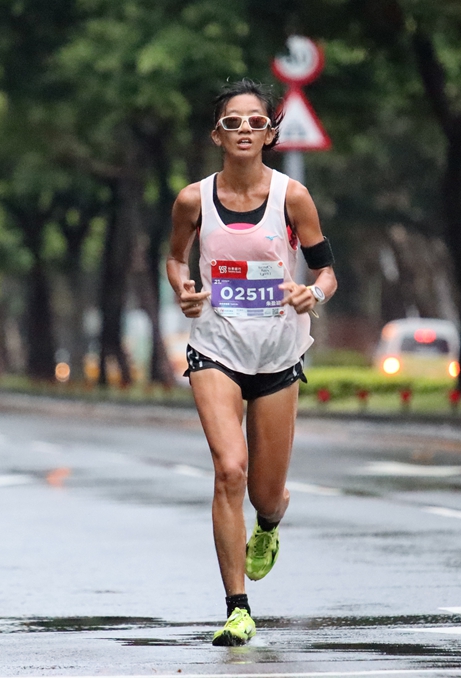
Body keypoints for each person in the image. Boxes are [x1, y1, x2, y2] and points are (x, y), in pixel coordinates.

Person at [165, 79, 337, 646]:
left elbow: (326, 270)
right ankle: (238, 608)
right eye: (232, 122)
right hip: (215, 347)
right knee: (228, 470)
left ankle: (268, 525)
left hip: (278, 354)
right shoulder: (193, 200)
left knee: (266, 491)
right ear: (216, 134)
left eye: (254, 122)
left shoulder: (293, 198)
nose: (244, 131)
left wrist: (315, 293)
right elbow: (174, 259)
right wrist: (184, 289)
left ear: (270, 133)